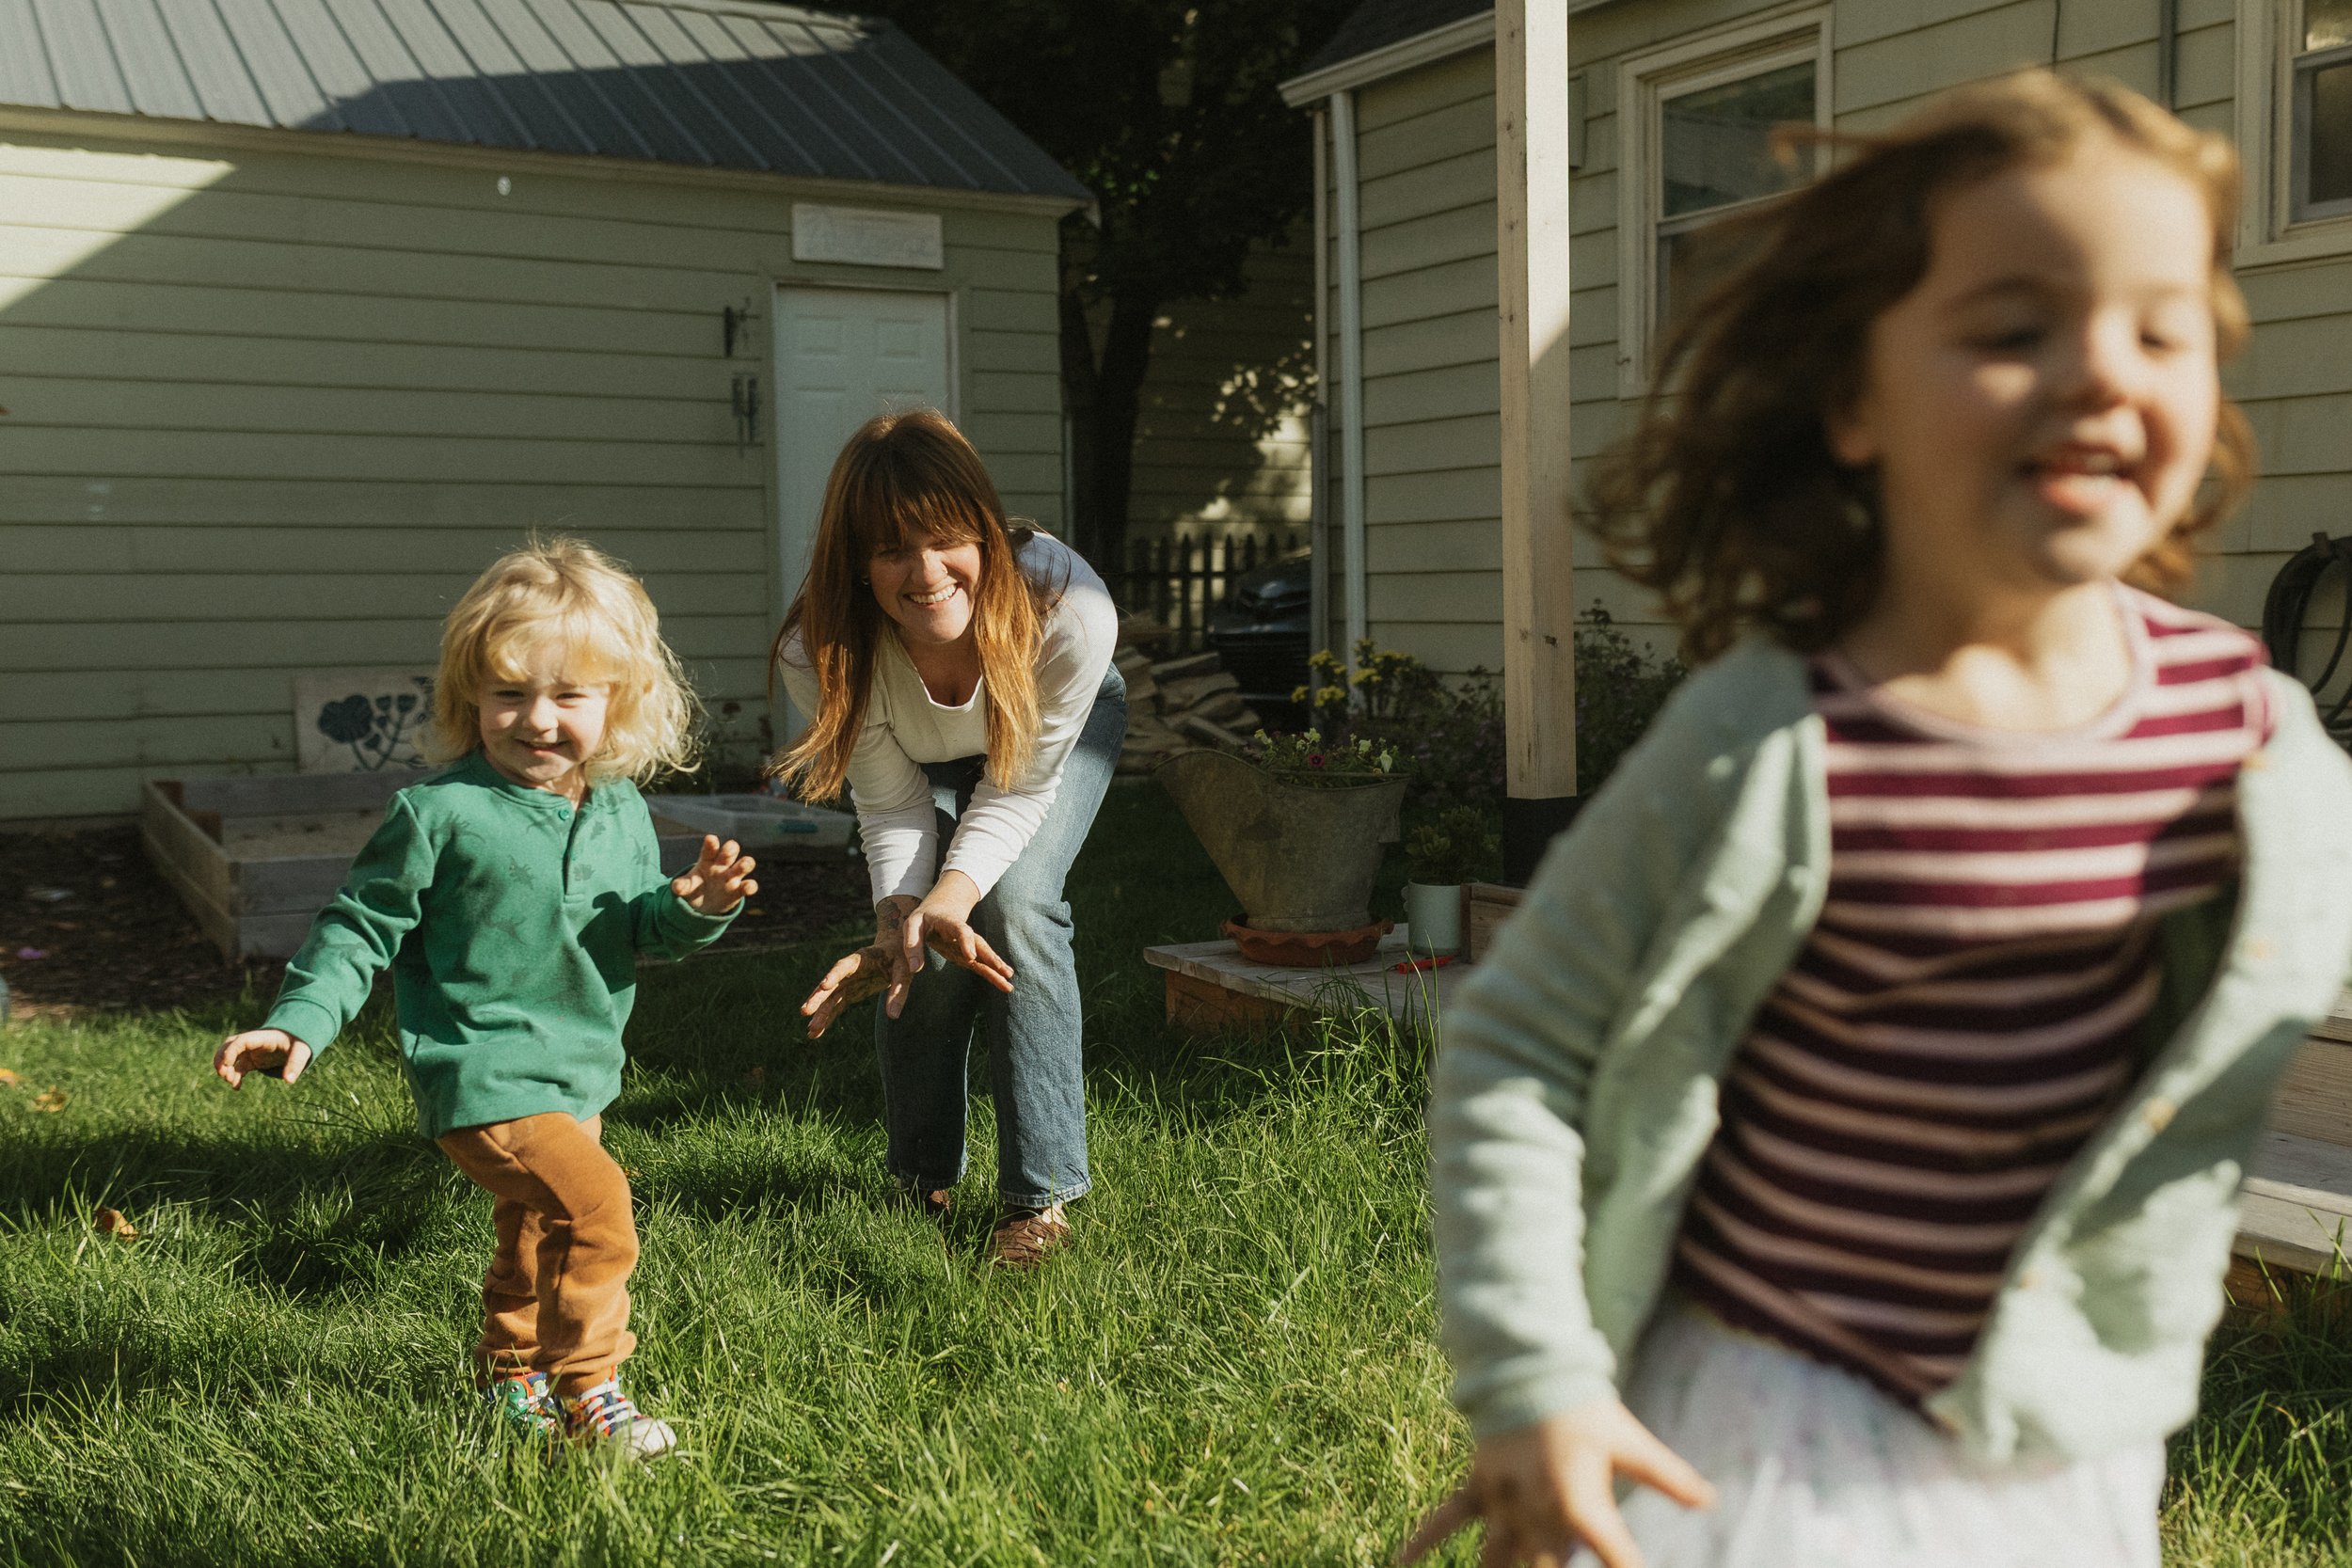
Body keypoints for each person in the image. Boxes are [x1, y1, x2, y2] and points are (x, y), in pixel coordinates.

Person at [1403, 71, 2352, 1568]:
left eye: (2160, 328)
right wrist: (1536, 1378)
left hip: (2058, 1436)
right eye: (2012, 327)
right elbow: (1518, 1045)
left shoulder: (2246, 739)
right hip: (1775, 1422)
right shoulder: (1780, 730)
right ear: (1853, 398)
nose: (2104, 370)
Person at [214, 539, 755, 1459]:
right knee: (597, 1212)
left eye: (567, 695)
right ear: (470, 697)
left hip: (577, 1069)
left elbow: (636, 930)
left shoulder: (619, 805)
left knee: (538, 1229)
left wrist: (694, 909)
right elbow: (358, 925)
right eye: (509, 693)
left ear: (620, 701)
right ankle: (593, 1390)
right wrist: (297, 1018)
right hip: (481, 1070)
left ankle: (512, 1378)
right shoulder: (440, 814)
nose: (535, 718)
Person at [775, 408, 1121, 1267]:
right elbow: (892, 805)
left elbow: (1017, 788)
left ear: (986, 533)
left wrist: (957, 890)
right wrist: (902, 916)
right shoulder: (817, 651)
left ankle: (1038, 1200)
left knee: (1015, 900)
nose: (927, 574)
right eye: (893, 549)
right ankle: (918, 1179)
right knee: (919, 939)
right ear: (856, 564)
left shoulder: (1067, 612)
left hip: (1042, 736)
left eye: (947, 539)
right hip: (924, 760)